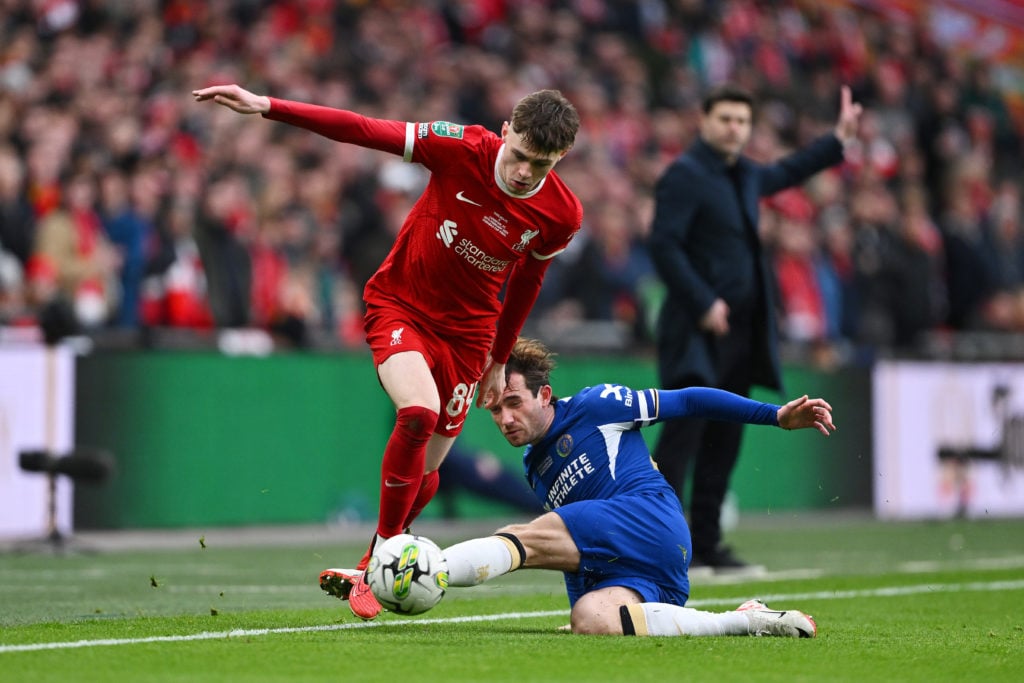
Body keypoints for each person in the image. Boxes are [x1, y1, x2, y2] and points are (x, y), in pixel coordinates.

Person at [192, 84, 582, 619]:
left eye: (538, 165)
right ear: (505, 132)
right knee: (417, 412)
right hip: (400, 305)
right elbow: (363, 127)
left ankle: (373, 561)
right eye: (517, 155)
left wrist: (497, 359)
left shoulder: (561, 213)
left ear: (560, 158)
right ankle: (383, 562)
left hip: (469, 337)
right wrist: (269, 106)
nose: (522, 172)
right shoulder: (462, 147)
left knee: (428, 471)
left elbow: (527, 283)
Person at [435, 337, 834, 636]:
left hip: (651, 521)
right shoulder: (534, 465)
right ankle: (743, 621)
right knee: (592, 620)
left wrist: (775, 415)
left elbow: (690, 400)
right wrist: (579, 609)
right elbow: (576, 551)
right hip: (640, 574)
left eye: (513, 403)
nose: (505, 419)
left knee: (520, 538)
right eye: (495, 411)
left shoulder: (597, 405)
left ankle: (430, 569)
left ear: (543, 395)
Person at [646, 84, 862, 571]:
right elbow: (663, 246)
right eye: (725, 119)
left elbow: (787, 172)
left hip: (743, 331)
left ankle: (706, 545)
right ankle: (662, 546)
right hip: (696, 331)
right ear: (704, 120)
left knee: (726, 436)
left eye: (742, 121)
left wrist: (838, 139)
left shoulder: (742, 173)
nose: (734, 128)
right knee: (683, 436)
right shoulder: (684, 175)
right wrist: (702, 302)